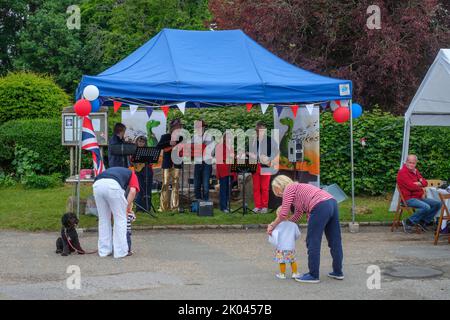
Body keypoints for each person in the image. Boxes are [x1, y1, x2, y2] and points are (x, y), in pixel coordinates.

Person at [267, 175, 343, 284]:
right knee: (335, 240)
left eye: (278, 192)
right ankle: (338, 272)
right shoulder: (297, 190)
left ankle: (313, 275)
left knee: (313, 241)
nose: (279, 195)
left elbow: (283, 213)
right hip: (331, 202)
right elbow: (298, 214)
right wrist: (286, 227)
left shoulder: (289, 188)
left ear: (280, 185)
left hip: (319, 205)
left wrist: (272, 225)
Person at [93, 167, 140, 258]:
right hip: (113, 186)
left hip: (97, 185)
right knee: (121, 219)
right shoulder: (132, 173)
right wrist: (126, 208)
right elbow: (133, 191)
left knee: (103, 219)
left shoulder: (113, 170)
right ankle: (120, 252)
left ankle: (104, 251)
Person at [397, 154, 442, 233]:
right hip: (408, 198)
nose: (411, 165)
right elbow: (411, 187)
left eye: (413, 163)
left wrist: (418, 183)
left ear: (416, 163)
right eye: (410, 162)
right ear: (406, 162)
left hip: (419, 197)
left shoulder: (415, 171)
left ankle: (423, 221)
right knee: (426, 207)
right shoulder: (402, 173)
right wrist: (419, 184)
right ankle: (408, 221)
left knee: (438, 204)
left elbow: (425, 183)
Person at [156, 119, 183, 212]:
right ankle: (163, 207)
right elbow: (158, 146)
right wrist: (169, 143)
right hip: (167, 163)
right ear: (172, 128)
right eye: (176, 126)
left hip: (177, 163)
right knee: (165, 184)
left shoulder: (181, 137)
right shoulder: (165, 136)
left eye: (179, 126)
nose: (178, 128)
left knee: (176, 184)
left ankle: (174, 206)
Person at [251, 121, 276, 214]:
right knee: (256, 187)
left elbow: (275, 153)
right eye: (257, 130)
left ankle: (265, 206)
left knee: (265, 187)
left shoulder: (270, 140)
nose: (258, 132)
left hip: (266, 165)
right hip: (255, 165)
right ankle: (258, 206)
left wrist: (268, 159)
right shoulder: (253, 140)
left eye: (260, 130)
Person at [269, 207, 301, 279]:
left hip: (280, 247)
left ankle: (282, 274)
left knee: (282, 261)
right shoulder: (293, 225)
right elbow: (298, 234)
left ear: (278, 215)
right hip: (290, 246)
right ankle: (295, 273)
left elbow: (273, 234)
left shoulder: (276, 225)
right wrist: (293, 239)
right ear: (290, 215)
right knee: (292, 260)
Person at [131, 136, 154, 212]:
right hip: (138, 171)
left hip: (147, 171)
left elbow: (152, 161)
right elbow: (131, 162)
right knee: (140, 189)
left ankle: (147, 207)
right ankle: (139, 208)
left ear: (145, 143)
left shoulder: (148, 151)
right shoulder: (133, 150)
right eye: (139, 141)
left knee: (148, 188)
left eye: (143, 142)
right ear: (137, 142)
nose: (141, 143)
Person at [193, 120, 214, 201]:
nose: (199, 129)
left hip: (207, 162)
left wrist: (205, 147)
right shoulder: (194, 137)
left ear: (204, 128)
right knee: (196, 184)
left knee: (205, 184)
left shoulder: (209, 137)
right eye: (197, 127)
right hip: (197, 162)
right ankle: (198, 201)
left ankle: (205, 202)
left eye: (201, 127)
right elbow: (191, 150)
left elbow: (213, 151)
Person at [215, 134, 233, 213]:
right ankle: (223, 207)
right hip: (223, 170)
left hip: (230, 170)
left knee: (228, 190)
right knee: (223, 189)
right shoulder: (219, 146)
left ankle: (227, 206)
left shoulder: (231, 147)